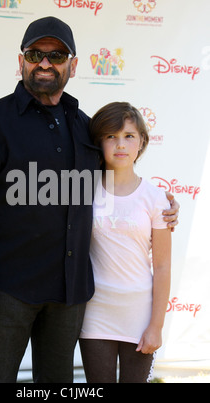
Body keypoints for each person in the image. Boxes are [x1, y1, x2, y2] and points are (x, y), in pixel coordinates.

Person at [0, 17, 179, 383]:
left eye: (56, 55)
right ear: (20, 60)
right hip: (7, 289)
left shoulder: (86, 129)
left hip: (69, 295)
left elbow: (119, 178)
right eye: (36, 54)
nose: (45, 63)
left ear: (73, 65)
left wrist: (163, 204)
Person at [79, 102, 172, 383]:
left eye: (129, 136)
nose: (120, 144)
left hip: (140, 314)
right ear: (99, 142)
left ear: (142, 141)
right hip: (96, 312)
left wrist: (156, 326)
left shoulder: (156, 198)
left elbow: (164, 266)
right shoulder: (82, 189)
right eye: (111, 136)